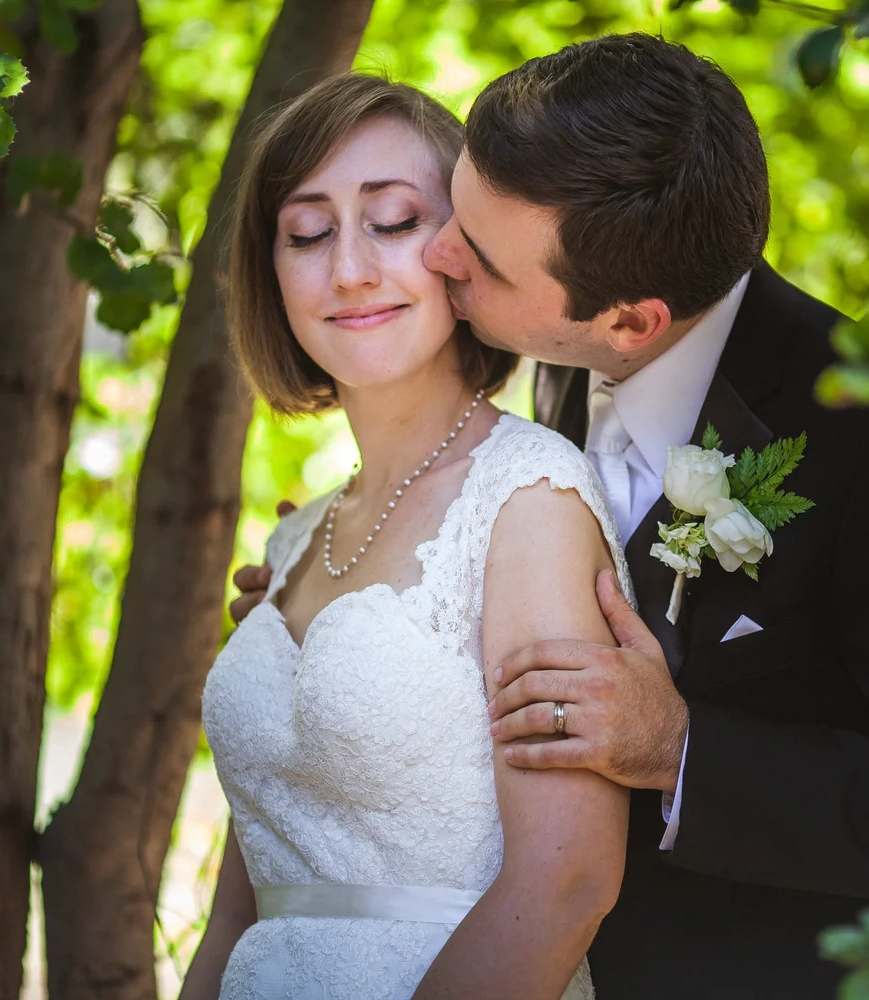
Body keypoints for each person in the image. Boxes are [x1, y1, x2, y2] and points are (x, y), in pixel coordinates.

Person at [232, 33, 869, 999]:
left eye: (477, 255)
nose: (437, 254)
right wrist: (348, 600)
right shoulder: (559, 347)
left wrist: (686, 752)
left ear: (629, 320)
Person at [185, 73, 633, 1000]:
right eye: (307, 234)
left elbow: (570, 881)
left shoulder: (530, 497)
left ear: (463, 253)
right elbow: (246, 897)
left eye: (390, 220)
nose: (348, 268)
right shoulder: (293, 542)